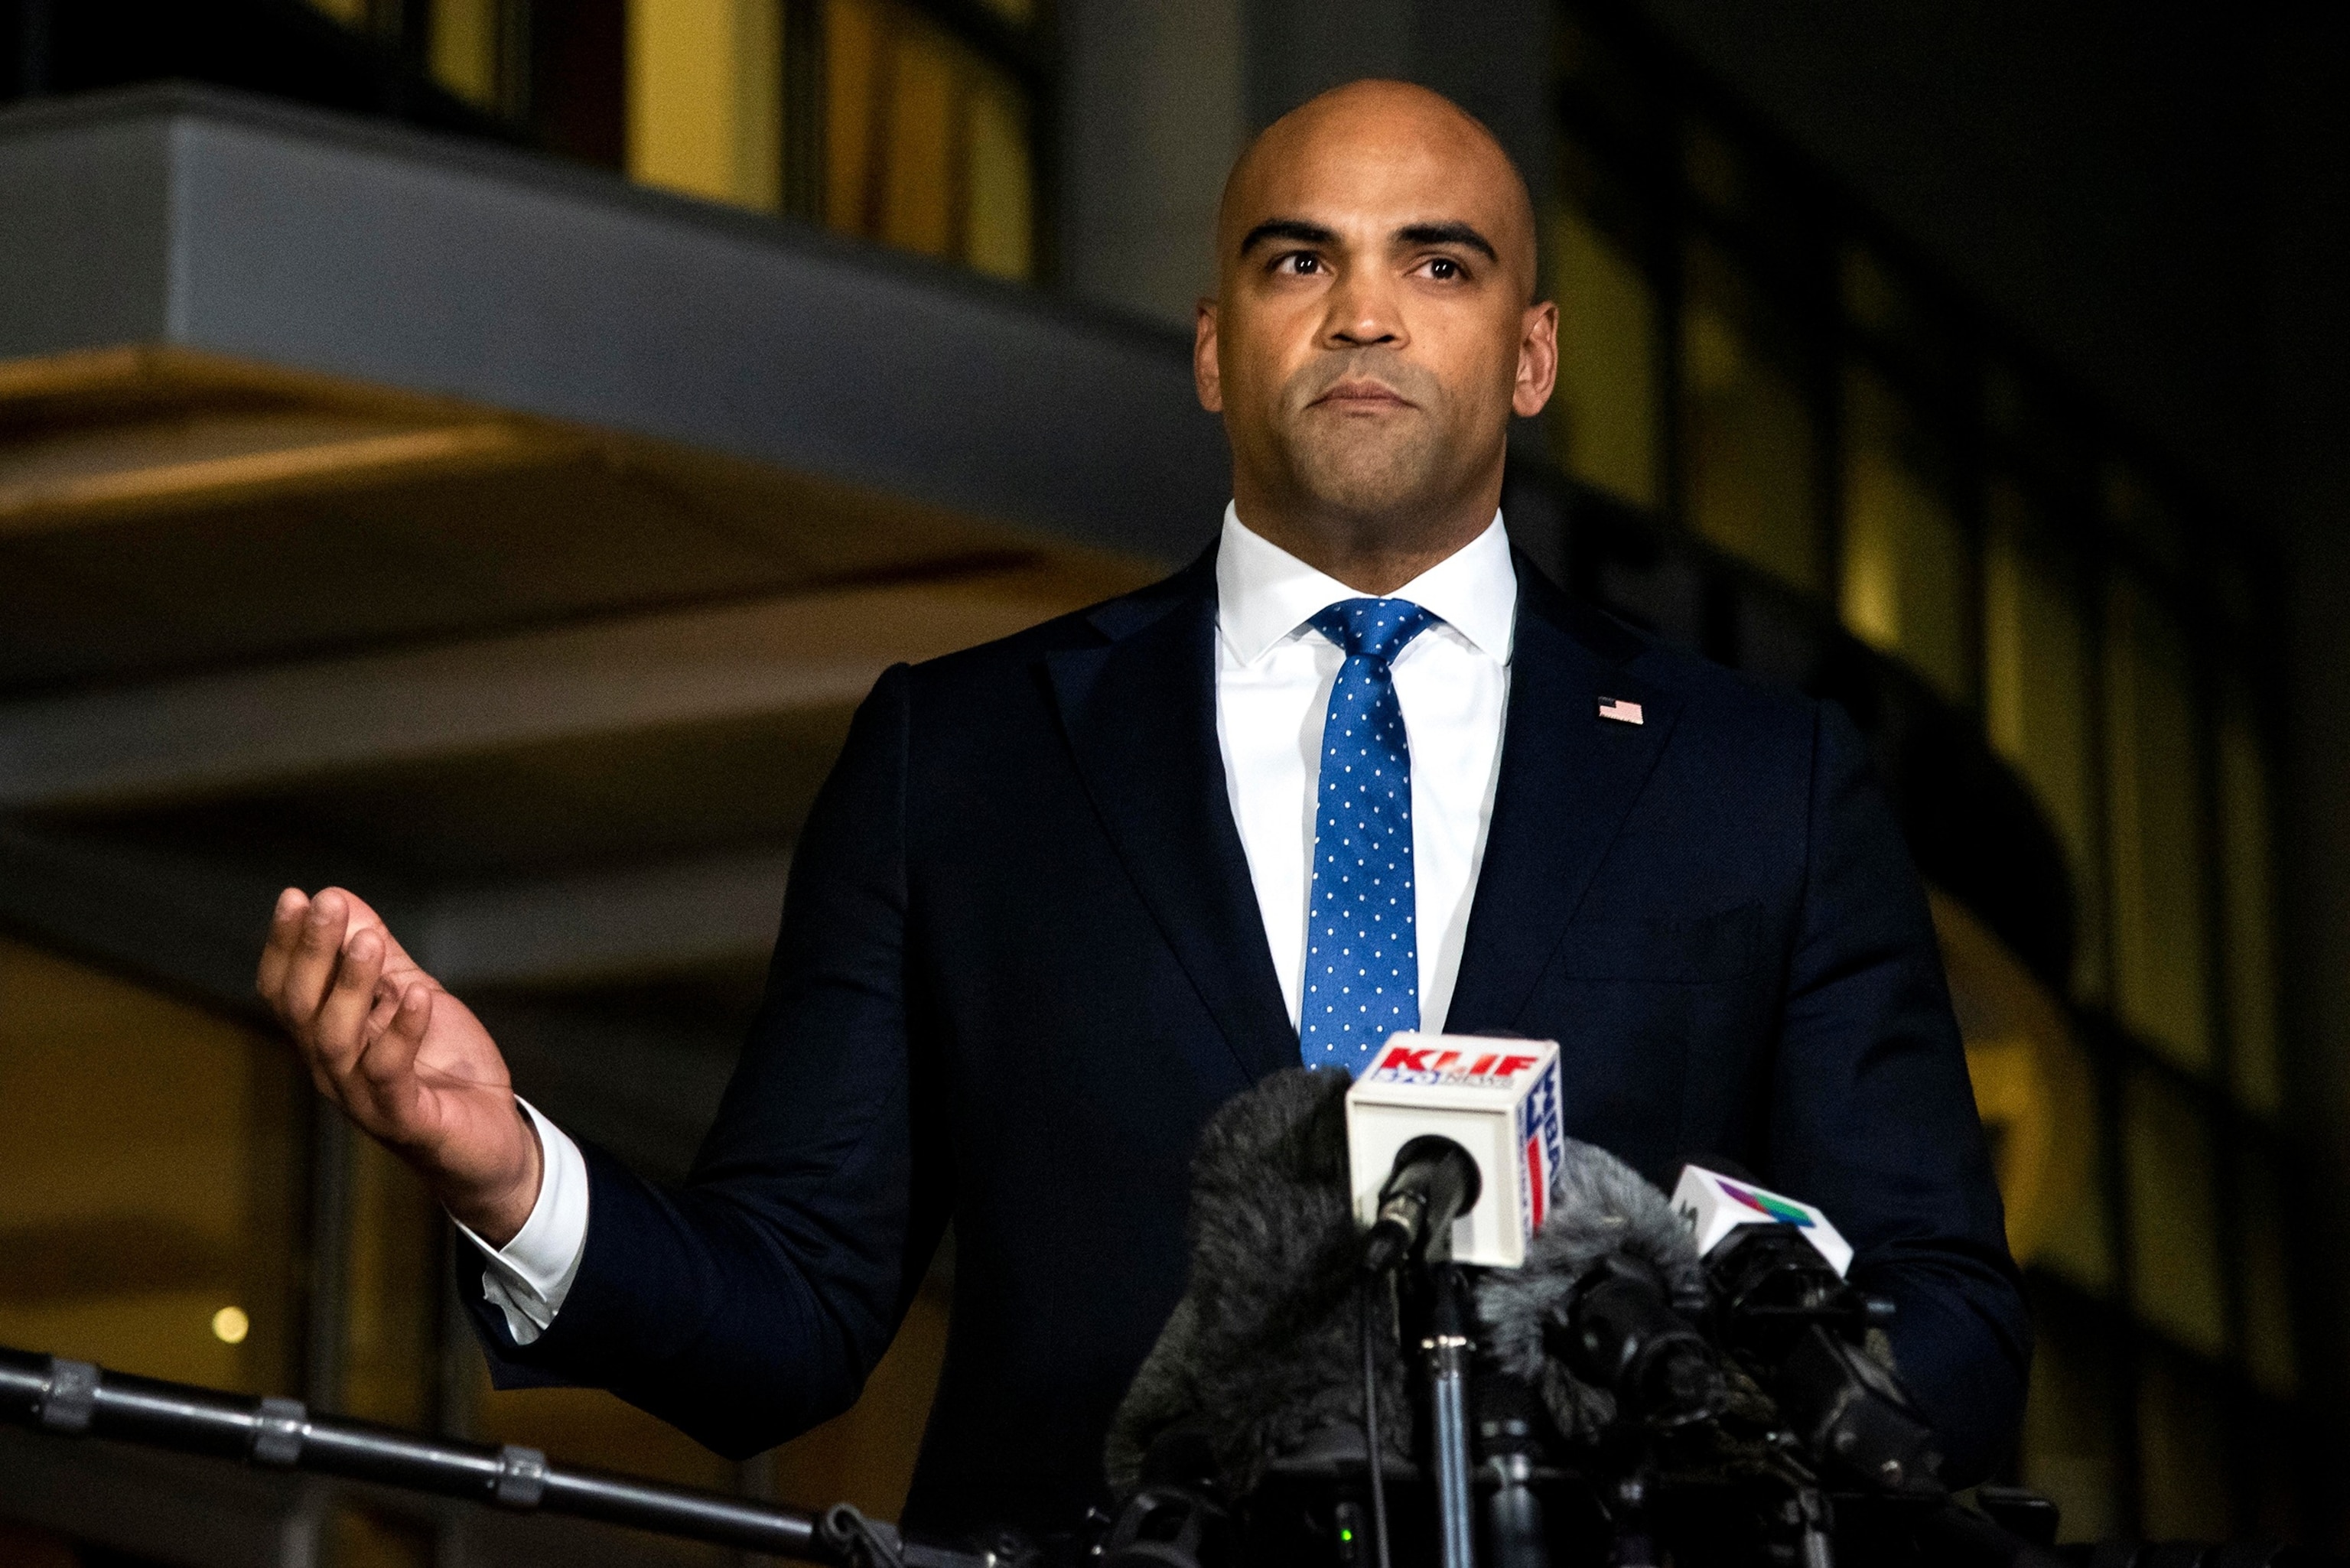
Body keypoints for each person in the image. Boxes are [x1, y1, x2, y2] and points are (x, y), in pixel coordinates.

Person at [256, 80, 2026, 1538]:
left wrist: (1674, 1412)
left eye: (1440, 261)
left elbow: (1944, 1320)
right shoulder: (961, 756)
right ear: (1209, 345)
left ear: (1535, 353)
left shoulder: (1758, 780)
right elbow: (788, 1308)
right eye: (1296, 259)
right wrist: (506, 1168)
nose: (1364, 309)